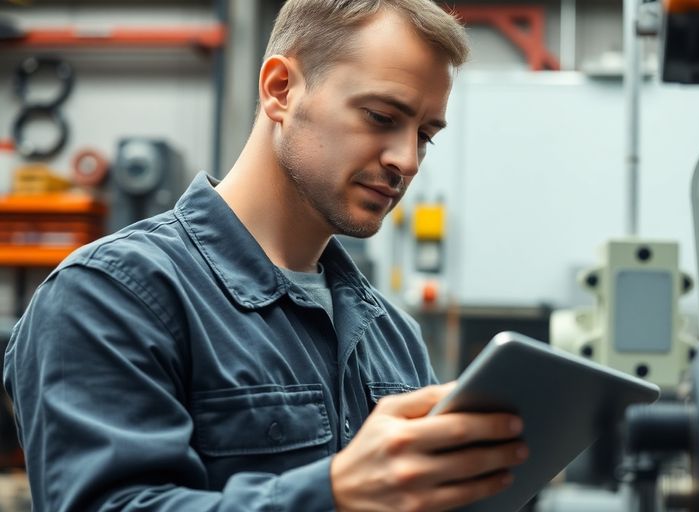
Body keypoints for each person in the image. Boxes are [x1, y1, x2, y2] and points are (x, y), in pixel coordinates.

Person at [3, 1, 528, 510]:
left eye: (425, 136)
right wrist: (334, 494)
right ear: (281, 89)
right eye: (380, 116)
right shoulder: (110, 296)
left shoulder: (393, 335)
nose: (406, 160)